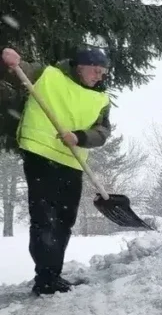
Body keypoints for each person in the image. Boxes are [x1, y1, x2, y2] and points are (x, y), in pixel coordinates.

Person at [1, 45, 112, 296]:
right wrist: (11, 60)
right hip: (40, 154)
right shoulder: (48, 75)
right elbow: (19, 70)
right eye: (95, 70)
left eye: (103, 72)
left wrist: (80, 137)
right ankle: (46, 278)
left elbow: (102, 132)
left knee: (64, 221)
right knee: (44, 218)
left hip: (72, 162)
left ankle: (53, 275)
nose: (99, 76)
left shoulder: (101, 99)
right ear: (79, 66)